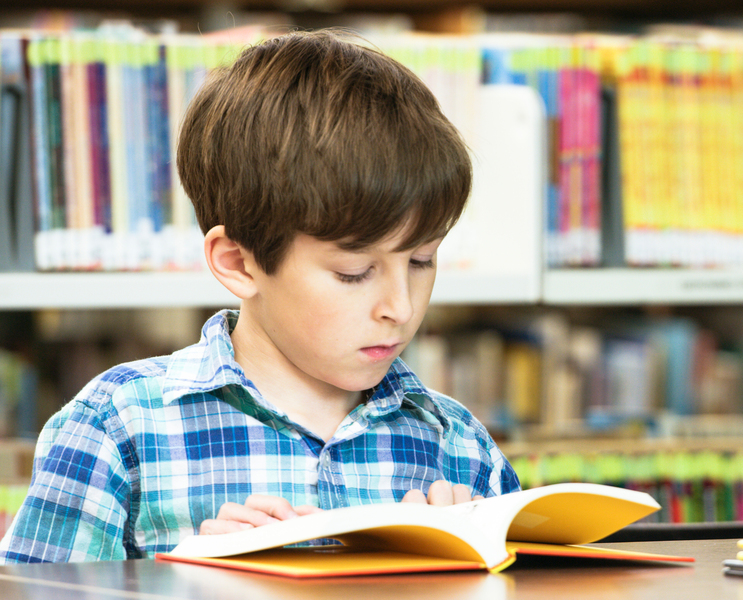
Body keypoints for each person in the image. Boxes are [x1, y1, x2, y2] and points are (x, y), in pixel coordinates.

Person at [0, 29, 519, 563]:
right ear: (238, 263)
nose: (401, 308)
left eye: (421, 261)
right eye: (354, 272)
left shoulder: (460, 445)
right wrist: (183, 583)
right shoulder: (118, 427)